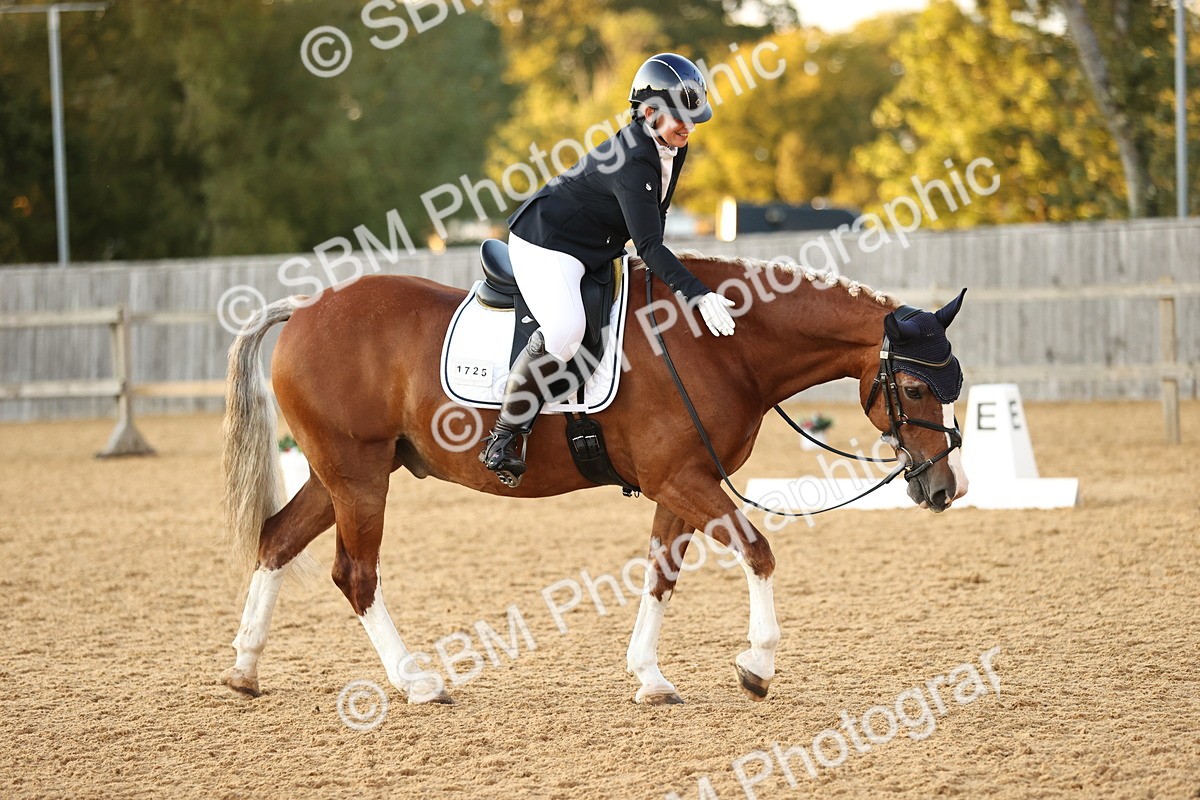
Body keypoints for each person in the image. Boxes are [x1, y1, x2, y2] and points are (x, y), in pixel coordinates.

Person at [479, 52, 737, 487]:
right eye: (681, 118)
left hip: (596, 248)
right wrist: (697, 293)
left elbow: (657, 219)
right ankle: (505, 435)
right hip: (548, 244)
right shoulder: (633, 159)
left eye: (694, 119)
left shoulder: (673, 143)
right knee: (566, 329)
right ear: (650, 112)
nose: (689, 128)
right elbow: (650, 245)